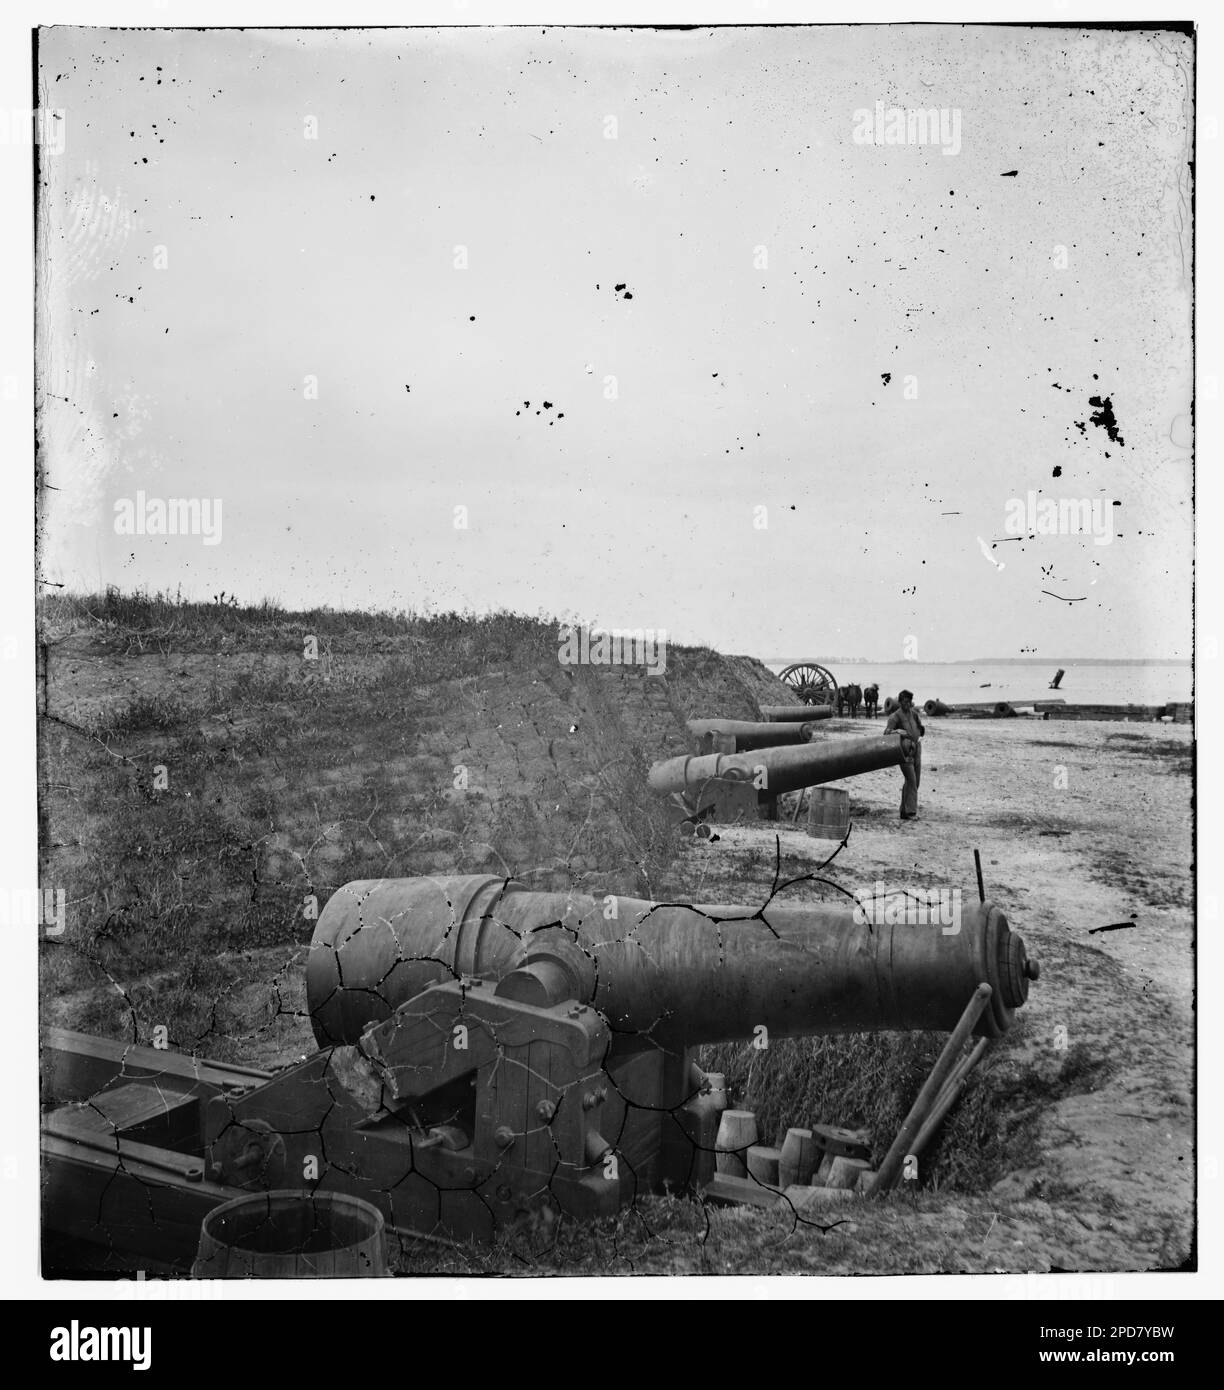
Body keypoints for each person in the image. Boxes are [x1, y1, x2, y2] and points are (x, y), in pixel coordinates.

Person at [884, 689, 924, 820]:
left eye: (909, 701)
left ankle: (903, 810)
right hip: (904, 751)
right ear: (900, 702)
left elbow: (920, 728)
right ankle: (910, 812)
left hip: (916, 749)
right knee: (911, 780)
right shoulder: (895, 716)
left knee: (915, 781)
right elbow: (886, 733)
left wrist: (920, 733)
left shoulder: (914, 714)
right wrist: (897, 732)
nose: (907, 704)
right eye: (905, 702)